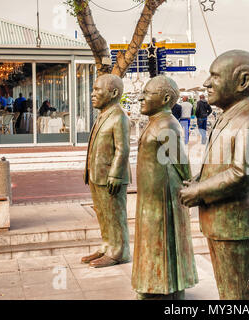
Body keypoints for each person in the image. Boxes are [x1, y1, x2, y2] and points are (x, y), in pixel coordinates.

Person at [179, 50, 249, 300]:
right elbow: (221, 162)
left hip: (238, 225)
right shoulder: (229, 115)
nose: (207, 83)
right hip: (224, 222)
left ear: (242, 81)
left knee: (238, 295)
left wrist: (199, 191)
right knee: (228, 292)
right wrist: (200, 179)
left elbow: (243, 173)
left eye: (215, 76)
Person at [132, 75, 198, 300]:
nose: (141, 97)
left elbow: (181, 164)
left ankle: (166, 288)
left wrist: (189, 186)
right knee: (152, 243)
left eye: (147, 94)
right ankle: (152, 284)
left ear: (166, 98)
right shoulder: (156, 122)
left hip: (163, 199)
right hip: (151, 198)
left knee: (163, 242)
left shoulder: (167, 124)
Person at [82, 74, 131, 268]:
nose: (93, 94)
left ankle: (119, 251)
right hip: (96, 175)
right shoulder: (103, 115)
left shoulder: (119, 117)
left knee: (115, 216)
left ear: (113, 93)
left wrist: (116, 174)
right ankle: (107, 245)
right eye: (93, 89)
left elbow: (123, 148)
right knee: (103, 214)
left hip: (112, 177)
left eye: (97, 90)